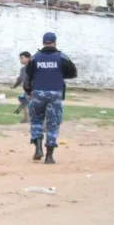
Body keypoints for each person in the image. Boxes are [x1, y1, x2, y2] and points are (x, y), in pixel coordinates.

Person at [24, 32, 77, 164]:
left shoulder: (34, 58)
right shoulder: (62, 58)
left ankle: (37, 148)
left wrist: (29, 91)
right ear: (55, 42)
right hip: (55, 94)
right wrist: (59, 74)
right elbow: (73, 73)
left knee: (36, 121)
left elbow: (27, 77)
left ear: (43, 42)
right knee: (53, 124)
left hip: (37, 93)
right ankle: (49, 156)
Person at [12, 51, 31, 123]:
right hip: (27, 90)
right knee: (22, 100)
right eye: (20, 58)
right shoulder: (23, 69)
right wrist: (14, 86)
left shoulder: (33, 68)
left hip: (33, 90)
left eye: (22, 58)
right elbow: (20, 79)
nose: (21, 60)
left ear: (28, 58)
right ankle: (26, 119)